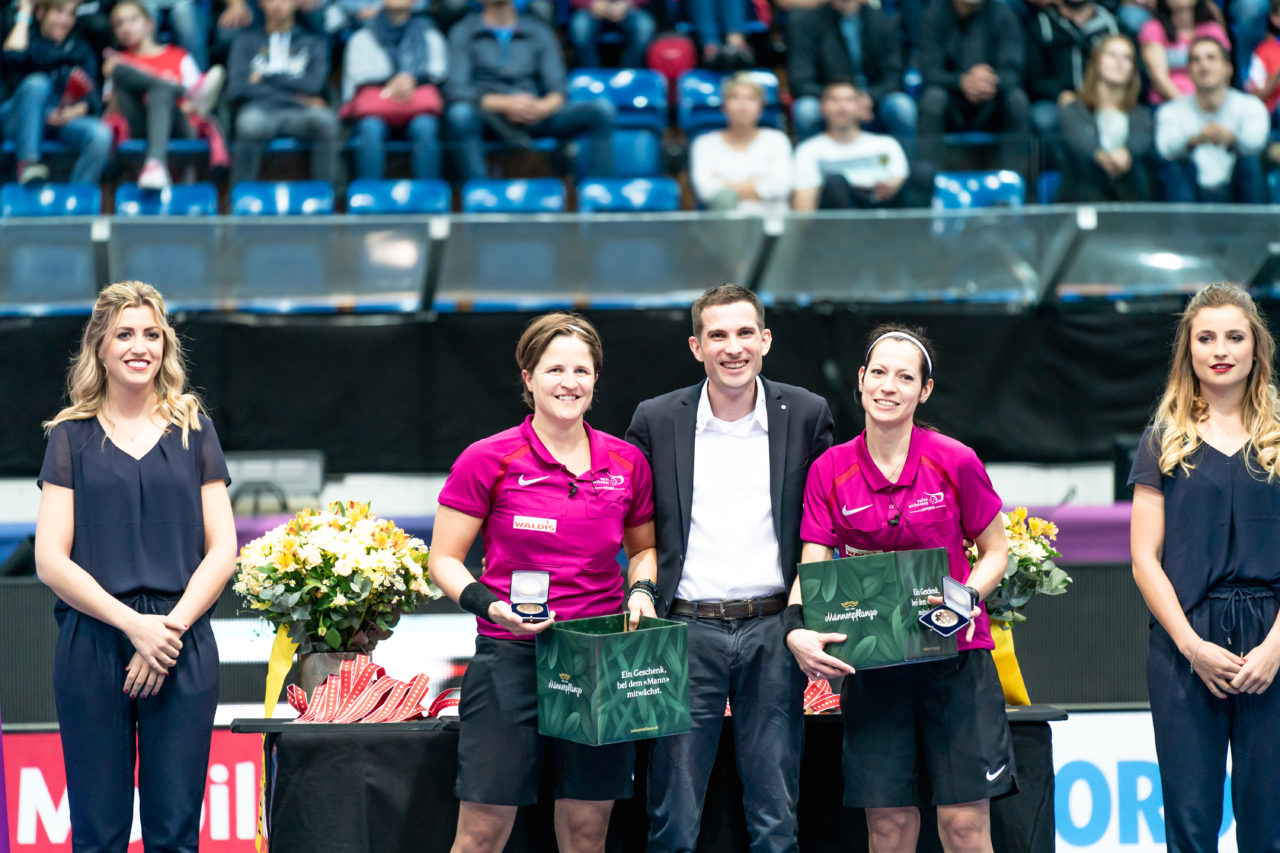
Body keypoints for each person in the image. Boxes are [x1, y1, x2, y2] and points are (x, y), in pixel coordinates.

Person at [428, 313, 657, 853]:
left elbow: (644, 549)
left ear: (597, 378)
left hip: (599, 659)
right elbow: (444, 560)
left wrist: (641, 594)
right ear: (528, 376)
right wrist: (493, 607)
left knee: (586, 833)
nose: (569, 382)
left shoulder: (628, 462)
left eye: (582, 369)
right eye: (554, 368)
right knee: (483, 831)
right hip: (511, 655)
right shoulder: (487, 458)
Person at [784, 324, 1014, 853]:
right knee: (888, 828)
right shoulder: (829, 470)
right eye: (879, 373)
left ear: (923, 390)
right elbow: (813, 565)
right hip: (876, 664)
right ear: (861, 381)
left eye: (905, 377)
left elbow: (995, 550)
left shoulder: (955, 459)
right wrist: (795, 629)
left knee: (963, 825)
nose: (889, 386)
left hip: (956, 661)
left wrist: (965, 600)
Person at [626, 283, 834, 852]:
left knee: (775, 814)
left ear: (765, 340)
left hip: (774, 628)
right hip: (684, 630)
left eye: (745, 333)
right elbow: (637, 526)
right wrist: (639, 590)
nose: (732, 347)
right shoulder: (657, 419)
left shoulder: (808, 414)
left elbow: (823, 526)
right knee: (673, 815)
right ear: (696, 346)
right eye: (717, 335)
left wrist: (801, 615)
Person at [33, 280, 237, 851]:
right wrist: (133, 625)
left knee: (175, 833)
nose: (139, 346)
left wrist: (166, 631)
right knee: (98, 834)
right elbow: (50, 560)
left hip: (181, 639)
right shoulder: (68, 437)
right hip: (94, 640)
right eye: (124, 334)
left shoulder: (196, 429)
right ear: (99, 346)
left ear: (165, 345)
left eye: (151, 334)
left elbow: (223, 549)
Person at [1127, 282, 1280, 853]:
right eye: (1206, 337)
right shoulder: (1162, 440)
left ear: (1256, 348)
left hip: (1274, 641)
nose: (1221, 349)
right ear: (1188, 350)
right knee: (1190, 827)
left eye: (1235, 336)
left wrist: (1274, 649)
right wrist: (1192, 647)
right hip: (1185, 645)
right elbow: (1145, 559)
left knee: (1270, 826)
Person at [443, 0, 615, 182]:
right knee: (460, 115)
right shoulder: (463, 32)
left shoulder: (539, 31)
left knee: (600, 112)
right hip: (489, 116)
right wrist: (504, 104)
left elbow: (558, 87)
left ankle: (599, 198)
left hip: (535, 113)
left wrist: (542, 107)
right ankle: (480, 196)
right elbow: (456, 89)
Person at [105, 0, 227, 189]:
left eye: (132, 20)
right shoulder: (118, 63)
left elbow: (192, 111)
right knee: (122, 71)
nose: (125, 28)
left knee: (159, 93)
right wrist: (112, 80)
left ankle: (155, 163)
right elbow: (115, 113)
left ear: (150, 23)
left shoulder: (179, 56)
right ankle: (181, 90)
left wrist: (186, 103)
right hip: (140, 126)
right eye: (119, 24)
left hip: (180, 125)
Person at [227, 0, 343, 185]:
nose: (277, 4)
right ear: (261, 4)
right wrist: (296, 96)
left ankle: (326, 195)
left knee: (326, 120)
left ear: (297, 3)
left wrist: (265, 77)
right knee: (248, 123)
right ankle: (240, 196)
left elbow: (314, 85)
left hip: (300, 114)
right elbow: (239, 88)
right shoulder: (245, 41)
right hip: (261, 110)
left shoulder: (313, 42)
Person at [1, 0, 113, 186]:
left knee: (101, 135)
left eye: (70, 14)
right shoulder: (26, 38)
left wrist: (73, 112)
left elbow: (91, 96)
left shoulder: (79, 48)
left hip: (59, 119)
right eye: (58, 12)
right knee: (38, 84)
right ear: (41, 14)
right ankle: (29, 164)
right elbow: (12, 57)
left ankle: (78, 200)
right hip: (18, 118)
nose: (65, 20)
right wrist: (24, 14)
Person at [916, 0, 1031, 174]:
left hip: (992, 103)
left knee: (1017, 100)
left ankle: (1014, 187)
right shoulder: (935, 14)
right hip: (952, 104)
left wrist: (988, 81)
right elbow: (929, 72)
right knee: (933, 99)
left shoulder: (1003, 13)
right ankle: (928, 187)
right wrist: (962, 81)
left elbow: (1013, 71)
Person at [341, 0, 446, 180]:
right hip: (375, 109)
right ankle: (368, 198)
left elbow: (439, 74)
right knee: (370, 128)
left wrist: (411, 81)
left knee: (426, 126)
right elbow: (355, 81)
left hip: (417, 106)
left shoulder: (430, 36)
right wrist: (389, 85)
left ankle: (430, 200)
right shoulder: (362, 37)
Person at [1156, 35, 1268, 202]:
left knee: (1250, 161)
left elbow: (1257, 143)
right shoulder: (1171, 110)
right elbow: (1165, 148)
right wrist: (1194, 140)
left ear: (1228, 68)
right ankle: (1181, 228)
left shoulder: (1251, 106)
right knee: (1175, 165)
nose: (1203, 65)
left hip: (1237, 189)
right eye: (1196, 60)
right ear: (1189, 71)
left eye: (1211, 58)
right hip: (1190, 190)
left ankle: (1255, 227)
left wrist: (1232, 139)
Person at [786, 0, 916, 143]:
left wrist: (869, 98)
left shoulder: (881, 20)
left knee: (902, 107)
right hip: (827, 97)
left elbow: (894, 75)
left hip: (873, 98)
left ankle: (906, 164)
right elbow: (799, 80)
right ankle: (812, 163)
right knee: (806, 110)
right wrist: (839, 100)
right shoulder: (808, 22)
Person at [1059, 34, 1155, 201]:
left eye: (1127, 57)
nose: (1119, 62)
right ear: (1097, 62)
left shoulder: (1142, 115)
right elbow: (1080, 144)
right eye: (1112, 55)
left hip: (1130, 199)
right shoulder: (1073, 110)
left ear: (1133, 68)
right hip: (1082, 199)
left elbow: (1140, 142)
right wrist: (1102, 157)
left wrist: (1126, 155)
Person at [792, 80, 913, 210]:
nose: (841, 107)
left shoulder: (886, 144)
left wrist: (889, 187)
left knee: (922, 175)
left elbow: (899, 178)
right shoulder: (808, 150)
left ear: (861, 107)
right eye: (834, 100)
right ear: (822, 108)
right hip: (838, 221)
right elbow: (803, 205)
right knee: (836, 183)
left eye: (849, 100)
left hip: (881, 212)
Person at [689, 72, 792, 212]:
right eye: (735, 98)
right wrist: (758, 184)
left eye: (750, 98)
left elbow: (781, 187)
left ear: (761, 107)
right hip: (724, 228)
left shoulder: (777, 140)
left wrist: (725, 185)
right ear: (724, 106)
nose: (743, 106)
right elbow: (706, 191)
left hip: (772, 227)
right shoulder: (704, 144)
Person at [1024, 0, 1120, 147]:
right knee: (1043, 118)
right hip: (1057, 100)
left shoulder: (1112, 26)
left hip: (1105, 99)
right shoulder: (1042, 25)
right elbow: (1033, 78)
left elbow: (1134, 74)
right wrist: (1059, 94)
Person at [1138, 0, 1229, 104]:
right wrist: (1187, 108)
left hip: (1211, 103)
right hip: (1166, 103)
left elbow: (1224, 71)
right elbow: (1159, 79)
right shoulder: (1154, 29)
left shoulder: (1213, 29)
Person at [567, 0, 655, 69]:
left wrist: (626, 3)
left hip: (628, 8)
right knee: (580, 27)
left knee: (644, 27)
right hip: (590, 9)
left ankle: (627, 76)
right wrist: (592, 3)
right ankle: (593, 79)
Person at [1244, 0, 1280, 117]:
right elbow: (1254, 97)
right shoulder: (1264, 52)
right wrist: (1275, 77)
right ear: (1275, 18)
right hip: (1272, 114)